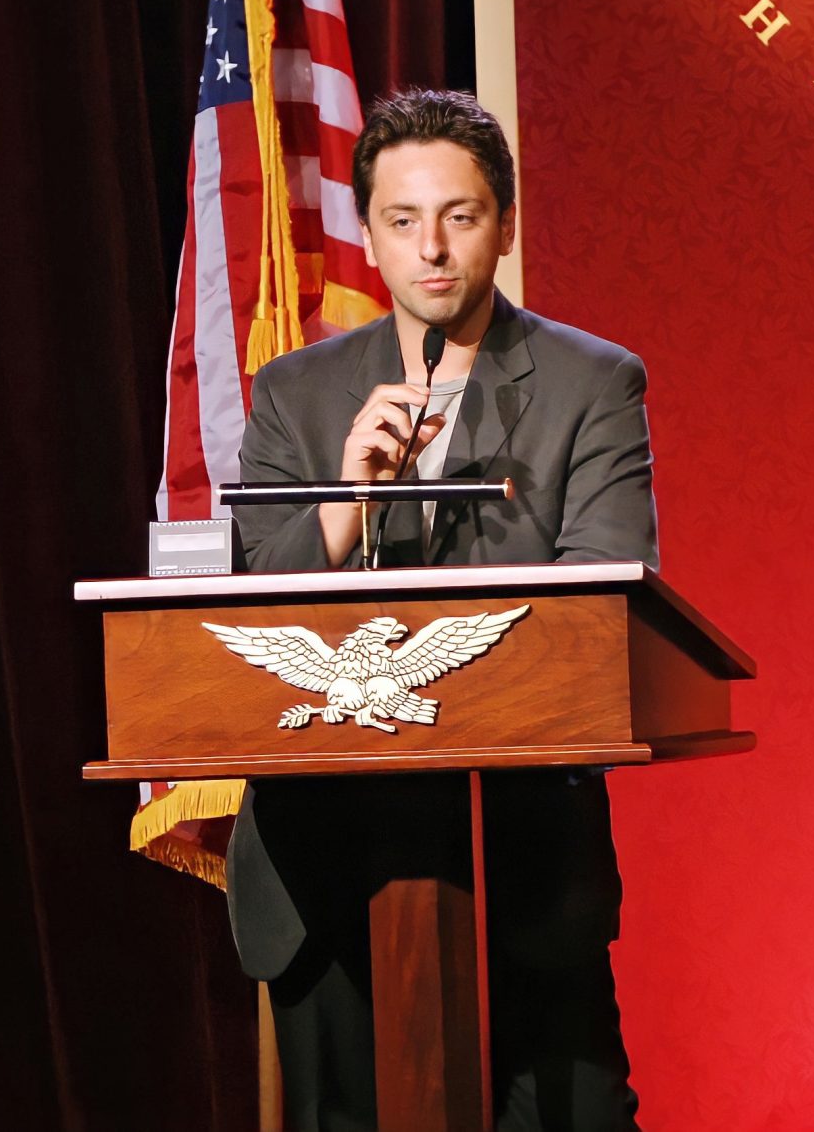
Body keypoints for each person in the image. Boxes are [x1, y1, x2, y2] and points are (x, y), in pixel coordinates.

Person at [228, 87, 651, 1132]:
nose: (432, 247)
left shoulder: (591, 382)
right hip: (326, 864)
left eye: (460, 216)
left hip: (521, 857)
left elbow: (601, 603)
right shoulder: (295, 393)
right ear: (366, 233)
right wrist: (343, 504)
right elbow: (235, 624)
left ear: (503, 224)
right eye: (403, 219)